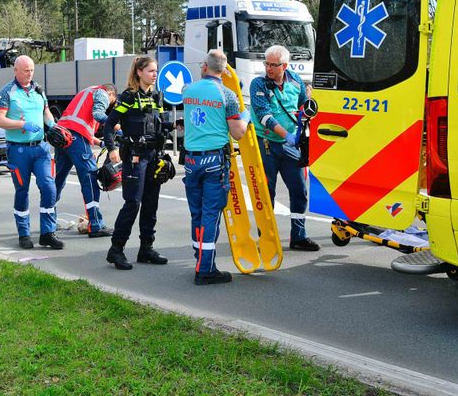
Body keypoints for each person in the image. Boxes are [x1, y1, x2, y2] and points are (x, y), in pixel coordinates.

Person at [182, 49, 249, 285]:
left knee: (197, 213)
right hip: (214, 162)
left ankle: (199, 256)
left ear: (204, 67)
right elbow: (238, 133)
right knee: (211, 213)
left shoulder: (188, 90)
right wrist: (246, 115)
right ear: (224, 70)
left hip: (191, 161)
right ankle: (205, 268)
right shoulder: (227, 95)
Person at [250, 45, 319, 251]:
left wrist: (309, 102)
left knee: (299, 189)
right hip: (267, 144)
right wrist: (286, 135)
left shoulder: (296, 81)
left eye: (273, 64)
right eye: (267, 63)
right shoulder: (258, 83)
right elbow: (264, 116)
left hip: (291, 146)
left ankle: (298, 236)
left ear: (285, 65)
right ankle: (266, 238)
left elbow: (303, 108)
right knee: (266, 192)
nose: (268, 68)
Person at [103, 56, 168, 270]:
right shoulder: (128, 97)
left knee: (151, 204)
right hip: (134, 157)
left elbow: (159, 127)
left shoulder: (156, 97)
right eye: (150, 71)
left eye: (155, 71)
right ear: (139, 72)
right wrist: (112, 149)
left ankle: (146, 249)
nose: (154, 74)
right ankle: (116, 250)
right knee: (133, 203)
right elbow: (109, 125)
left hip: (153, 157)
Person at [0, 55, 62, 250]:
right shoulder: (7, 92)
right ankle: (24, 234)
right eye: (25, 70)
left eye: (32, 70)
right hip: (18, 149)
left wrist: (52, 125)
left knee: (49, 187)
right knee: (22, 190)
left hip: (41, 148)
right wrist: (22, 124)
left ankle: (47, 233)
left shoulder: (38, 89)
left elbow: (46, 111)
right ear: (15, 70)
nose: (29, 73)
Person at [54, 83, 117, 238]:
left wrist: (101, 143)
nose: (109, 105)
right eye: (111, 102)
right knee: (90, 179)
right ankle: (95, 225)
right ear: (111, 94)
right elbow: (98, 114)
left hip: (62, 136)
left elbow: (80, 125)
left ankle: (48, 221)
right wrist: (116, 125)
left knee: (58, 181)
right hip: (76, 139)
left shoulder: (86, 92)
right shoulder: (102, 93)